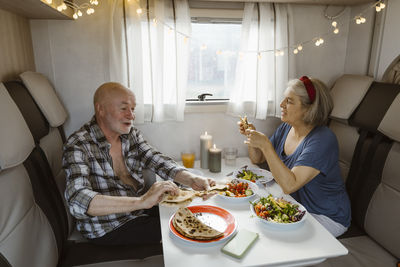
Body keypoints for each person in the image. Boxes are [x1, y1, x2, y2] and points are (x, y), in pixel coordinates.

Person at [63, 82, 215, 246]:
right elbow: (77, 199)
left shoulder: (130, 135)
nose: (131, 115)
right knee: (188, 235)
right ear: (100, 109)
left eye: (133, 109)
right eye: (124, 108)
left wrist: (191, 179)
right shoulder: (78, 145)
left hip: (139, 211)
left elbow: (157, 160)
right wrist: (142, 201)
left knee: (198, 214)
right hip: (108, 227)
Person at [238, 76, 351, 237]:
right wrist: (252, 138)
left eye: (289, 101)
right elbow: (259, 159)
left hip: (325, 216)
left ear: (309, 109)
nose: (281, 104)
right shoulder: (286, 127)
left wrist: (265, 144)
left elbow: (290, 185)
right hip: (296, 206)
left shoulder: (323, 139)